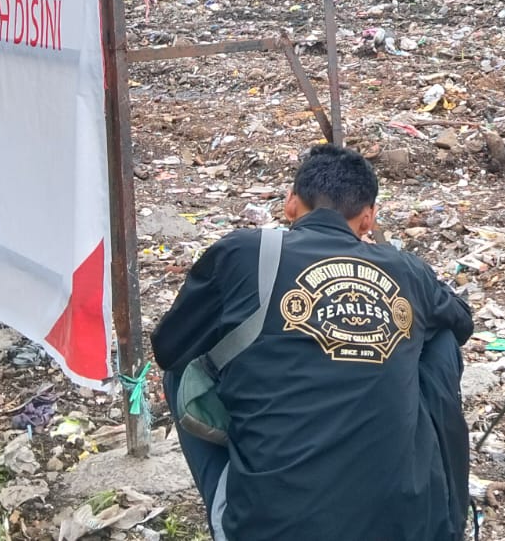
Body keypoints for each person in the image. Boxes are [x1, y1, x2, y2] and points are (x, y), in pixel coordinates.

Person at [152, 145, 473, 541]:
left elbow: (168, 347)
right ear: (368, 220)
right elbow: (460, 322)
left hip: (272, 528)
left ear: (291, 204)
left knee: (185, 367)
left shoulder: (246, 252)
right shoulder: (407, 269)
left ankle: (242, 491)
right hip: (408, 526)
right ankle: (443, 503)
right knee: (438, 341)